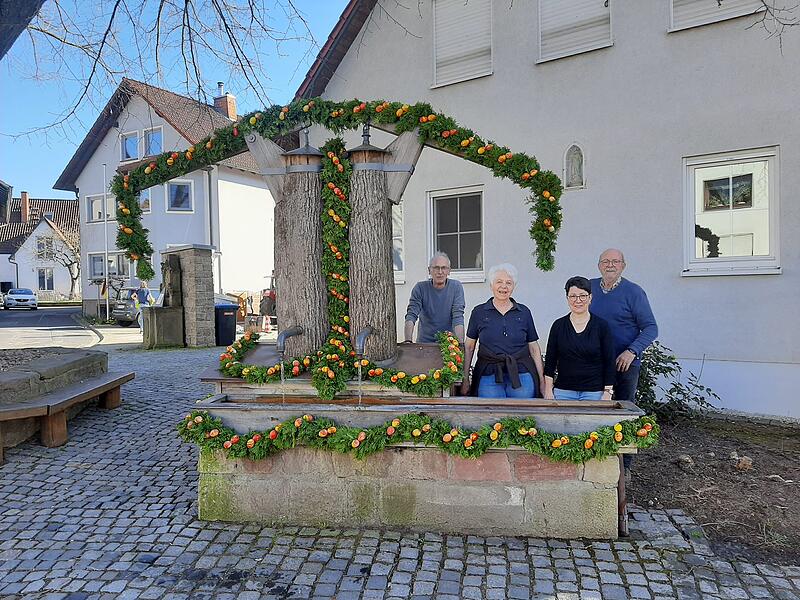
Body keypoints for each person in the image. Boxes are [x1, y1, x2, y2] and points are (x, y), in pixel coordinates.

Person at [460, 263, 545, 398]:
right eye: (499, 282)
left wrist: (542, 381)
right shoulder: (479, 312)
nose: (503, 286)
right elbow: (469, 347)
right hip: (488, 374)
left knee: (522, 415)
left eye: (509, 283)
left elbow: (534, 348)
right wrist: (465, 379)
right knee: (492, 415)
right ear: (491, 285)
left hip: (521, 374)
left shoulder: (524, 312)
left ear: (513, 287)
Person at [590, 249, 658, 402]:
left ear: (623, 266)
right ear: (599, 266)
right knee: (594, 405)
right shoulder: (589, 288)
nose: (610, 265)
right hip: (594, 361)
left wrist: (632, 351)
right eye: (605, 261)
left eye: (615, 261)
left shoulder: (634, 292)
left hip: (624, 363)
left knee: (624, 408)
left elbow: (651, 327)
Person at [543, 276, 616, 401]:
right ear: (567, 298)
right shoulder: (558, 326)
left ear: (590, 298)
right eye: (573, 296)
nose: (578, 300)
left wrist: (608, 392)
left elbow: (609, 362)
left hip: (594, 393)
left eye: (582, 295)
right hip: (563, 392)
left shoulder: (602, 326)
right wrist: (548, 391)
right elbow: (550, 361)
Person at [404, 252, 465, 344]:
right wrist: (408, 341)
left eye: (444, 268)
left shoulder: (456, 287)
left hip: (449, 344)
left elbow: (458, 316)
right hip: (424, 343)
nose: (440, 272)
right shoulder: (420, 288)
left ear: (449, 271)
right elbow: (411, 315)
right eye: (436, 268)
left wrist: (460, 343)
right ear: (429, 270)